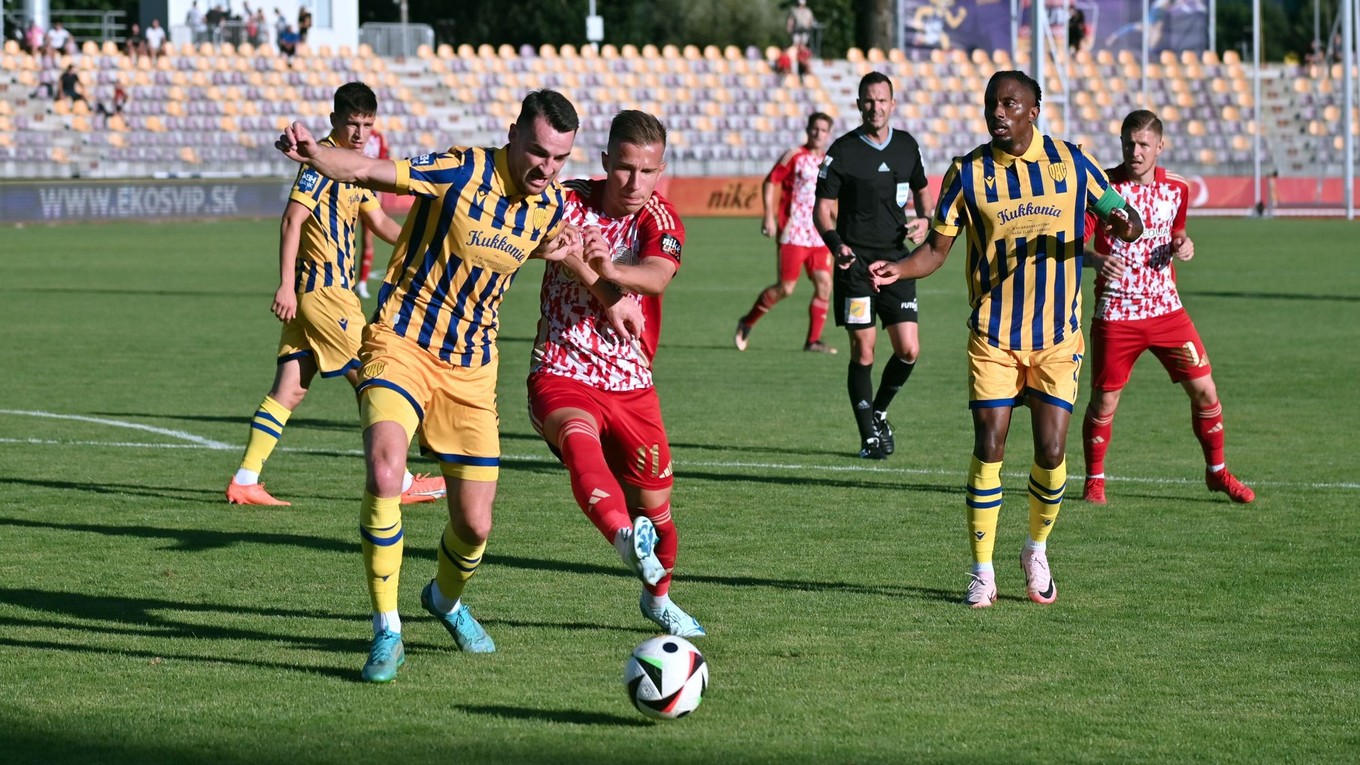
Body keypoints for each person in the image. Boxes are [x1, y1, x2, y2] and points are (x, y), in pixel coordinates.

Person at [274, 89, 585, 683]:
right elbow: (366, 169)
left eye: (560, 159)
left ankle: (443, 600)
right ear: (515, 131)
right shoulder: (460, 167)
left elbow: (552, 244)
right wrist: (317, 154)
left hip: (471, 368)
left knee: (475, 526)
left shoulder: (549, 206)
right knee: (385, 472)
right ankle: (386, 630)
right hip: (401, 342)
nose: (548, 168)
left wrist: (587, 267)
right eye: (540, 152)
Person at [868, 70, 1144, 608]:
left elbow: (1116, 211)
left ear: (1034, 109)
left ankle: (1035, 549)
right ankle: (981, 570)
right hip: (993, 334)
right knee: (989, 446)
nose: (999, 112)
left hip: (1056, 336)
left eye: (1011, 104)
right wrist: (900, 270)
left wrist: (1126, 223)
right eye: (992, 103)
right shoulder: (967, 173)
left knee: (1052, 449)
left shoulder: (1072, 162)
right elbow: (937, 251)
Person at [529, 110, 705, 639]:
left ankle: (657, 600)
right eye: (625, 168)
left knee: (662, 514)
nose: (635, 183)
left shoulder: (660, 219)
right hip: (561, 365)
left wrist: (608, 271)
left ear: (661, 170)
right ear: (606, 162)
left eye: (647, 172)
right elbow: (531, 235)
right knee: (577, 441)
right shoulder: (567, 198)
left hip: (631, 381)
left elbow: (656, 276)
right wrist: (547, 247)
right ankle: (623, 538)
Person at [226, 82, 445, 509]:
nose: (360, 133)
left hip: (321, 297)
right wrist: (285, 284)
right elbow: (292, 221)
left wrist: (427, 248)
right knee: (374, 376)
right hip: (325, 294)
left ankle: (245, 480)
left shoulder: (352, 167)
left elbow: (380, 222)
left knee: (290, 389)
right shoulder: (318, 164)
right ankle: (399, 481)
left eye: (367, 124)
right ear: (334, 121)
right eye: (352, 124)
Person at [1080, 110, 1255, 506]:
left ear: (1160, 145)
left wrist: (1184, 245)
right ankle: (1095, 480)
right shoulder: (1103, 188)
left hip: (1166, 311)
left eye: (1143, 144)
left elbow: (1177, 233)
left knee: (1206, 391)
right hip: (1117, 312)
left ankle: (1217, 473)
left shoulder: (1177, 187)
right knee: (1105, 401)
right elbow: (1075, 244)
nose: (1135, 152)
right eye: (1129, 143)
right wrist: (1095, 259)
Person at [813, 72, 931, 460]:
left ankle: (879, 411)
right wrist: (838, 247)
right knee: (864, 351)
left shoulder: (907, 146)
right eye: (868, 100)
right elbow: (823, 211)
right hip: (857, 266)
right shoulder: (843, 151)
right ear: (859, 104)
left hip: (898, 263)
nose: (875, 107)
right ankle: (868, 436)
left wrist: (926, 219)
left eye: (882, 101)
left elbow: (921, 187)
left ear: (892, 104)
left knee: (909, 350)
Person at [736, 111, 838, 354]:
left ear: (828, 134)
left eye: (823, 130)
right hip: (793, 233)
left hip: (819, 233)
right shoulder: (794, 156)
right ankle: (747, 322)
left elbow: (830, 198)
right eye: (815, 128)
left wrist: (837, 224)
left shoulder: (828, 161)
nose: (818, 133)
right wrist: (769, 215)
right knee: (786, 288)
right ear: (808, 129)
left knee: (825, 284)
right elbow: (771, 181)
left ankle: (813, 341)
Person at [355, 125, 390, 299]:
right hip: (350, 190)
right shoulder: (353, 135)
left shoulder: (378, 138)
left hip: (371, 193)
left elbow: (383, 164)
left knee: (368, 240)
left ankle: (362, 283)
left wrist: (380, 193)